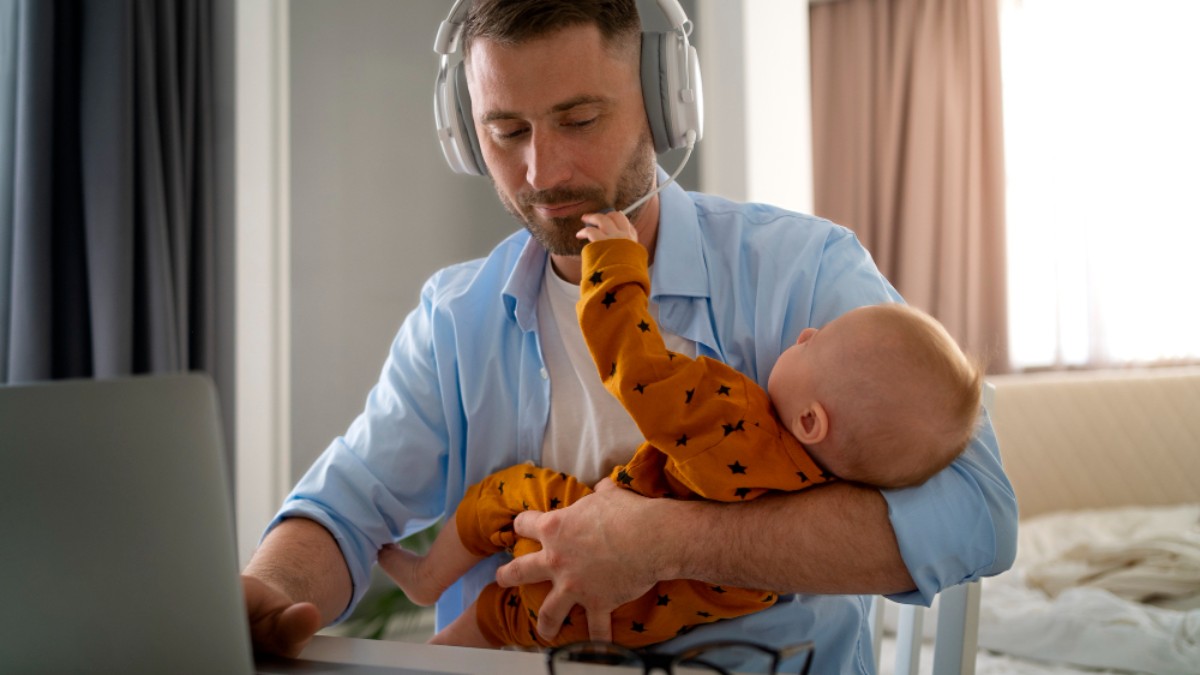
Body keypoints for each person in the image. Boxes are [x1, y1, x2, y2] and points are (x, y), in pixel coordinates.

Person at [240, 1, 1017, 672]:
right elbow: (341, 511)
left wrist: (676, 540)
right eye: (506, 130)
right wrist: (268, 597)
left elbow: (976, 512)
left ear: (663, 101)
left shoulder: (803, 271)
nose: (543, 172)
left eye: (579, 119)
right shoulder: (453, 322)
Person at [376, 208, 984, 649]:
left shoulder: (734, 424)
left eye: (818, 343)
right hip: (629, 624)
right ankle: (449, 644)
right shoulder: (814, 502)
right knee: (505, 619)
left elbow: (636, 368)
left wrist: (616, 261)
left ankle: (429, 580)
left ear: (810, 420)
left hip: (569, 541)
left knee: (505, 494)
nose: (804, 333)